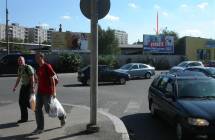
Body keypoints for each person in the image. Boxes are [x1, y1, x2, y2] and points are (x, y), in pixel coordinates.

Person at [32, 52, 66, 134]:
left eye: (37, 57)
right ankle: (40, 128)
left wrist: (54, 92)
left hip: (48, 92)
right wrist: (34, 87)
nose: (36, 59)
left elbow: (52, 80)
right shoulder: (39, 68)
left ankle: (62, 116)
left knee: (48, 109)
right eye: (35, 58)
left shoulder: (47, 66)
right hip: (40, 92)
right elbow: (38, 80)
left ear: (41, 57)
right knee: (37, 109)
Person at [13, 56, 35, 123]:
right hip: (23, 86)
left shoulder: (28, 67)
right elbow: (19, 78)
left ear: (24, 61)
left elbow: (32, 78)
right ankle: (24, 118)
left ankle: (37, 110)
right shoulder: (20, 68)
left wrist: (32, 88)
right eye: (19, 60)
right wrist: (15, 86)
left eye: (21, 60)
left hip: (29, 86)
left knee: (27, 102)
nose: (20, 61)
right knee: (21, 102)